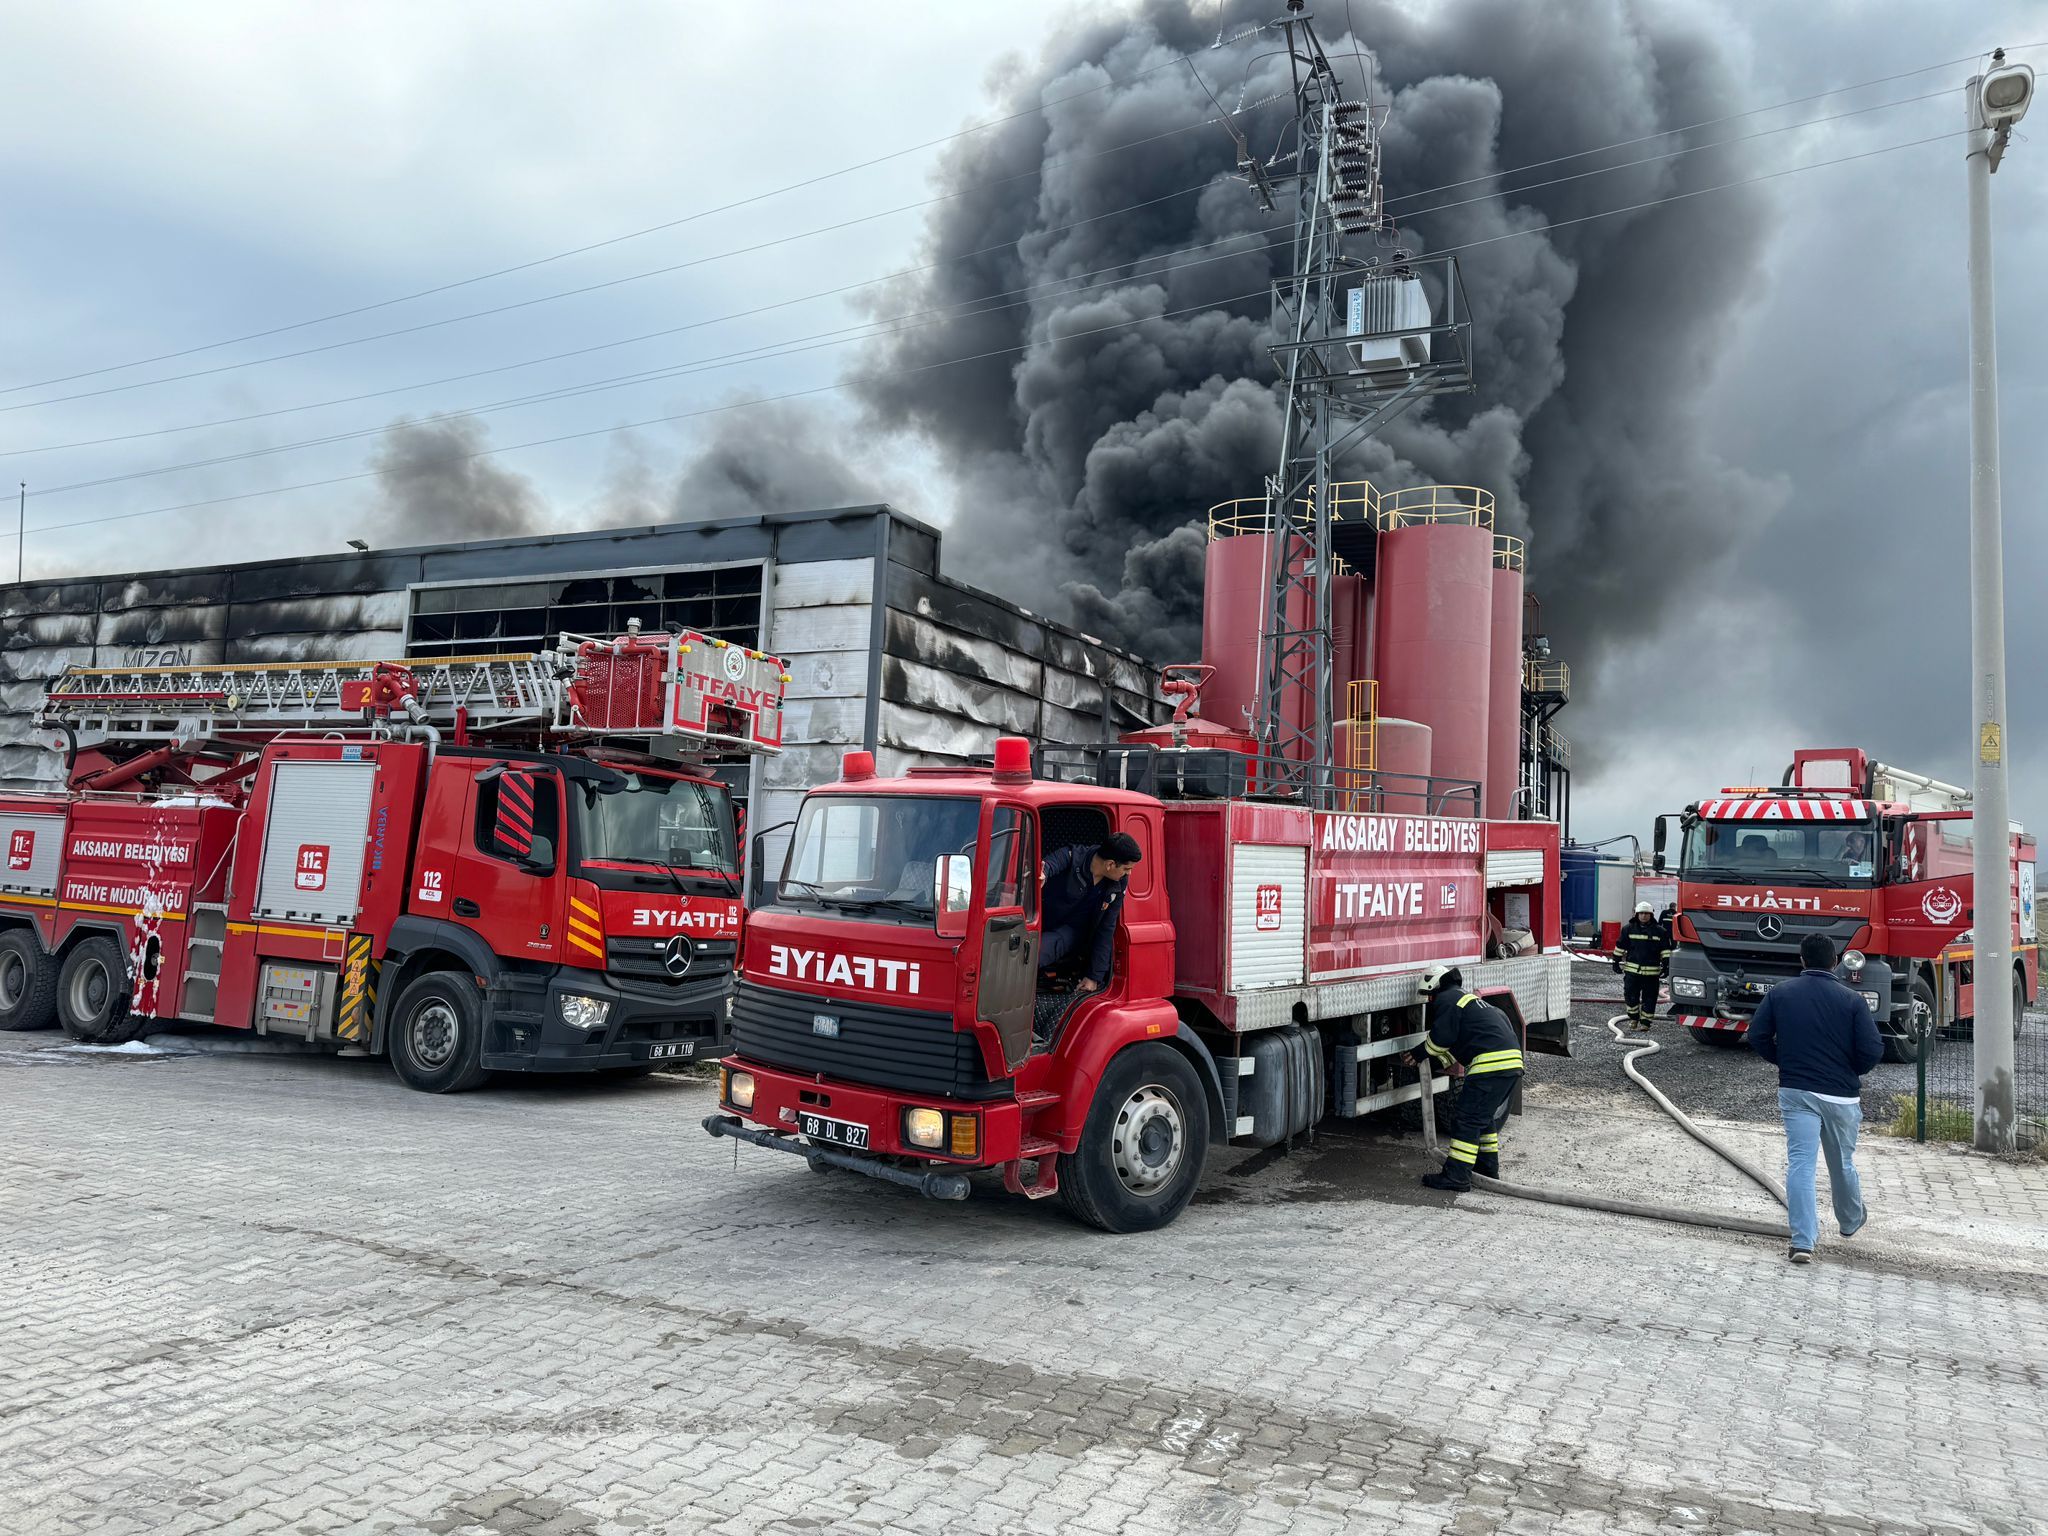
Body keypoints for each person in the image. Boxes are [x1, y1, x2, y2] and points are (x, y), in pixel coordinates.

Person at [1745, 932, 1884, 1264]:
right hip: (1841, 1097)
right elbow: (1872, 1050)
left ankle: (1802, 1241)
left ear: (1802, 959)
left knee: (1801, 1165)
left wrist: (1784, 1060)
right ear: (1835, 962)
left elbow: (1757, 1035)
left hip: (1797, 1092)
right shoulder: (1852, 1000)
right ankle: (1850, 1223)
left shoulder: (1781, 994)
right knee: (1842, 1163)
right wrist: (1849, 1071)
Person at [1403, 965, 1525, 1191]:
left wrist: (1418, 1053)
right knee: (1483, 1118)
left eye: (1430, 996)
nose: (1430, 1001)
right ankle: (1487, 1170)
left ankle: (1457, 1176)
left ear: (1434, 987)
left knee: (1466, 1120)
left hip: (1490, 1066)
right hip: (1510, 1065)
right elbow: (1460, 1044)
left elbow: (1441, 1038)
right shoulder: (1467, 1000)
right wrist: (1438, 1061)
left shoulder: (1447, 999)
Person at [1039, 832, 1141, 994]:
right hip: (1041, 918)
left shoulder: (1118, 883)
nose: (1129, 874)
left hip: (1071, 931)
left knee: (1037, 952)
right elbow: (1050, 865)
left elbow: (1107, 928)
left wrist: (1094, 977)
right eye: (1126, 869)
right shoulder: (1073, 856)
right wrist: (1042, 875)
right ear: (1110, 864)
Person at [1612, 899, 1674, 1031]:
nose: (1644, 916)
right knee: (1630, 995)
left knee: (1650, 998)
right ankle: (1634, 1018)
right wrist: (1615, 961)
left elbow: (1665, 950)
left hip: (1651, 974)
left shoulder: (1660, 931)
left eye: (1646, 913)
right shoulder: (1628, 929)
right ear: (1636, 914)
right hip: (1632, 973)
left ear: (1651, 915)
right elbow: (1620, 946)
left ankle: (1645, 1022)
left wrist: (1667, 964)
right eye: (1641, 913)